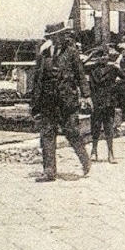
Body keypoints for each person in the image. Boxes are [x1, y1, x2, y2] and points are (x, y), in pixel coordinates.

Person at [32, 22, 92, 183]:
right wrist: (34, 101)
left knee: (71, 131)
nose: (56, 39)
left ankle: (85, 159)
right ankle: (49, 171)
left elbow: (80, 75)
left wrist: (86, 96)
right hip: (48, 100)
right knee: (47, 134)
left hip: (67, 101)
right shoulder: (44, 54)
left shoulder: (71, 52)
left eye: (58, 36)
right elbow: (37, 78)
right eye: (52, 37)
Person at [86, 45, 125, 163]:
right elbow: (79, 66)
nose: (103, 57)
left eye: (105, 55)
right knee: (95, 127)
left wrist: (114, 87)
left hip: (109, 102)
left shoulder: (113, 69)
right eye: (100, 55)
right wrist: (90, 56)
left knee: (109, 127)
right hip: (96, 101)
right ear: (97, 57)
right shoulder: (92, 69)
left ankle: (110, 152)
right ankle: (94, 151)